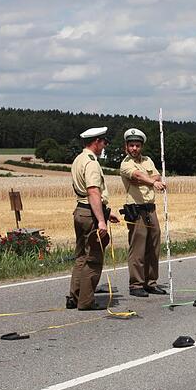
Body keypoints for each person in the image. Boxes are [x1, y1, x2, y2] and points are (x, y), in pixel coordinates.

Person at [67, 127, 120, 310]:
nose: (104, 146)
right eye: (104, 142)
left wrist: (106, 212)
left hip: (81, 211)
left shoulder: (78, 159)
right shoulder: (91, 163)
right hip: (90, 213)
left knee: (81, 256)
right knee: (94, 259)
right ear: (96, 141)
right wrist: (101, 220)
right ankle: (86, 301)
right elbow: (93, 191)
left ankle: (74, 296)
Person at [119, 128, 168, 297]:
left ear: (141, 147)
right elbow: (137, 176)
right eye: (131, 145)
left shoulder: (148, 160)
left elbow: (157, 176)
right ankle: (136, 284)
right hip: (136, 209)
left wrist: (151, 180)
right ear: (126, 146)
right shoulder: (126, 164)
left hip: (150, 208)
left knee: (153, 246)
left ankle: (151, 282)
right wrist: (151, 182)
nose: (134, 148)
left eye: (137, 145)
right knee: (138, 248)